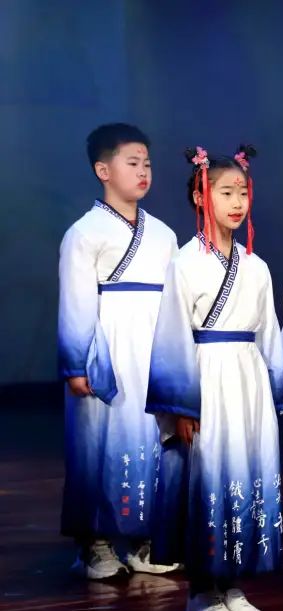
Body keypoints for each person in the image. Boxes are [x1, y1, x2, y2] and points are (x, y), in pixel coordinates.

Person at [146, 145, 283, 611]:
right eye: (225, 192)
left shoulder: (256, 266)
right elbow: (171, 337)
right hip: (206, 378)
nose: (237, 202)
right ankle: (201, 593)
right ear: (200, 197)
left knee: (244, 475)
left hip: (247, 380)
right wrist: (180, 407)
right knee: (208, 479)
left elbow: (270, 334)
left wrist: (277, 394)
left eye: (242, 192)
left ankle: (234, 584)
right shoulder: (184, 263)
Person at [58, 123, 180, 579]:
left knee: (151, 440)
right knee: (98, 443)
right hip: (107, 352)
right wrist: (76, 363)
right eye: (132, 163)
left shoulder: (164, 235)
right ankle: (95, 544)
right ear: (103, 170)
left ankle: (146, 540)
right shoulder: (84, 233)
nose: (143, 171)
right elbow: (76, 302)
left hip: (152, 350)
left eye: (147, 163)